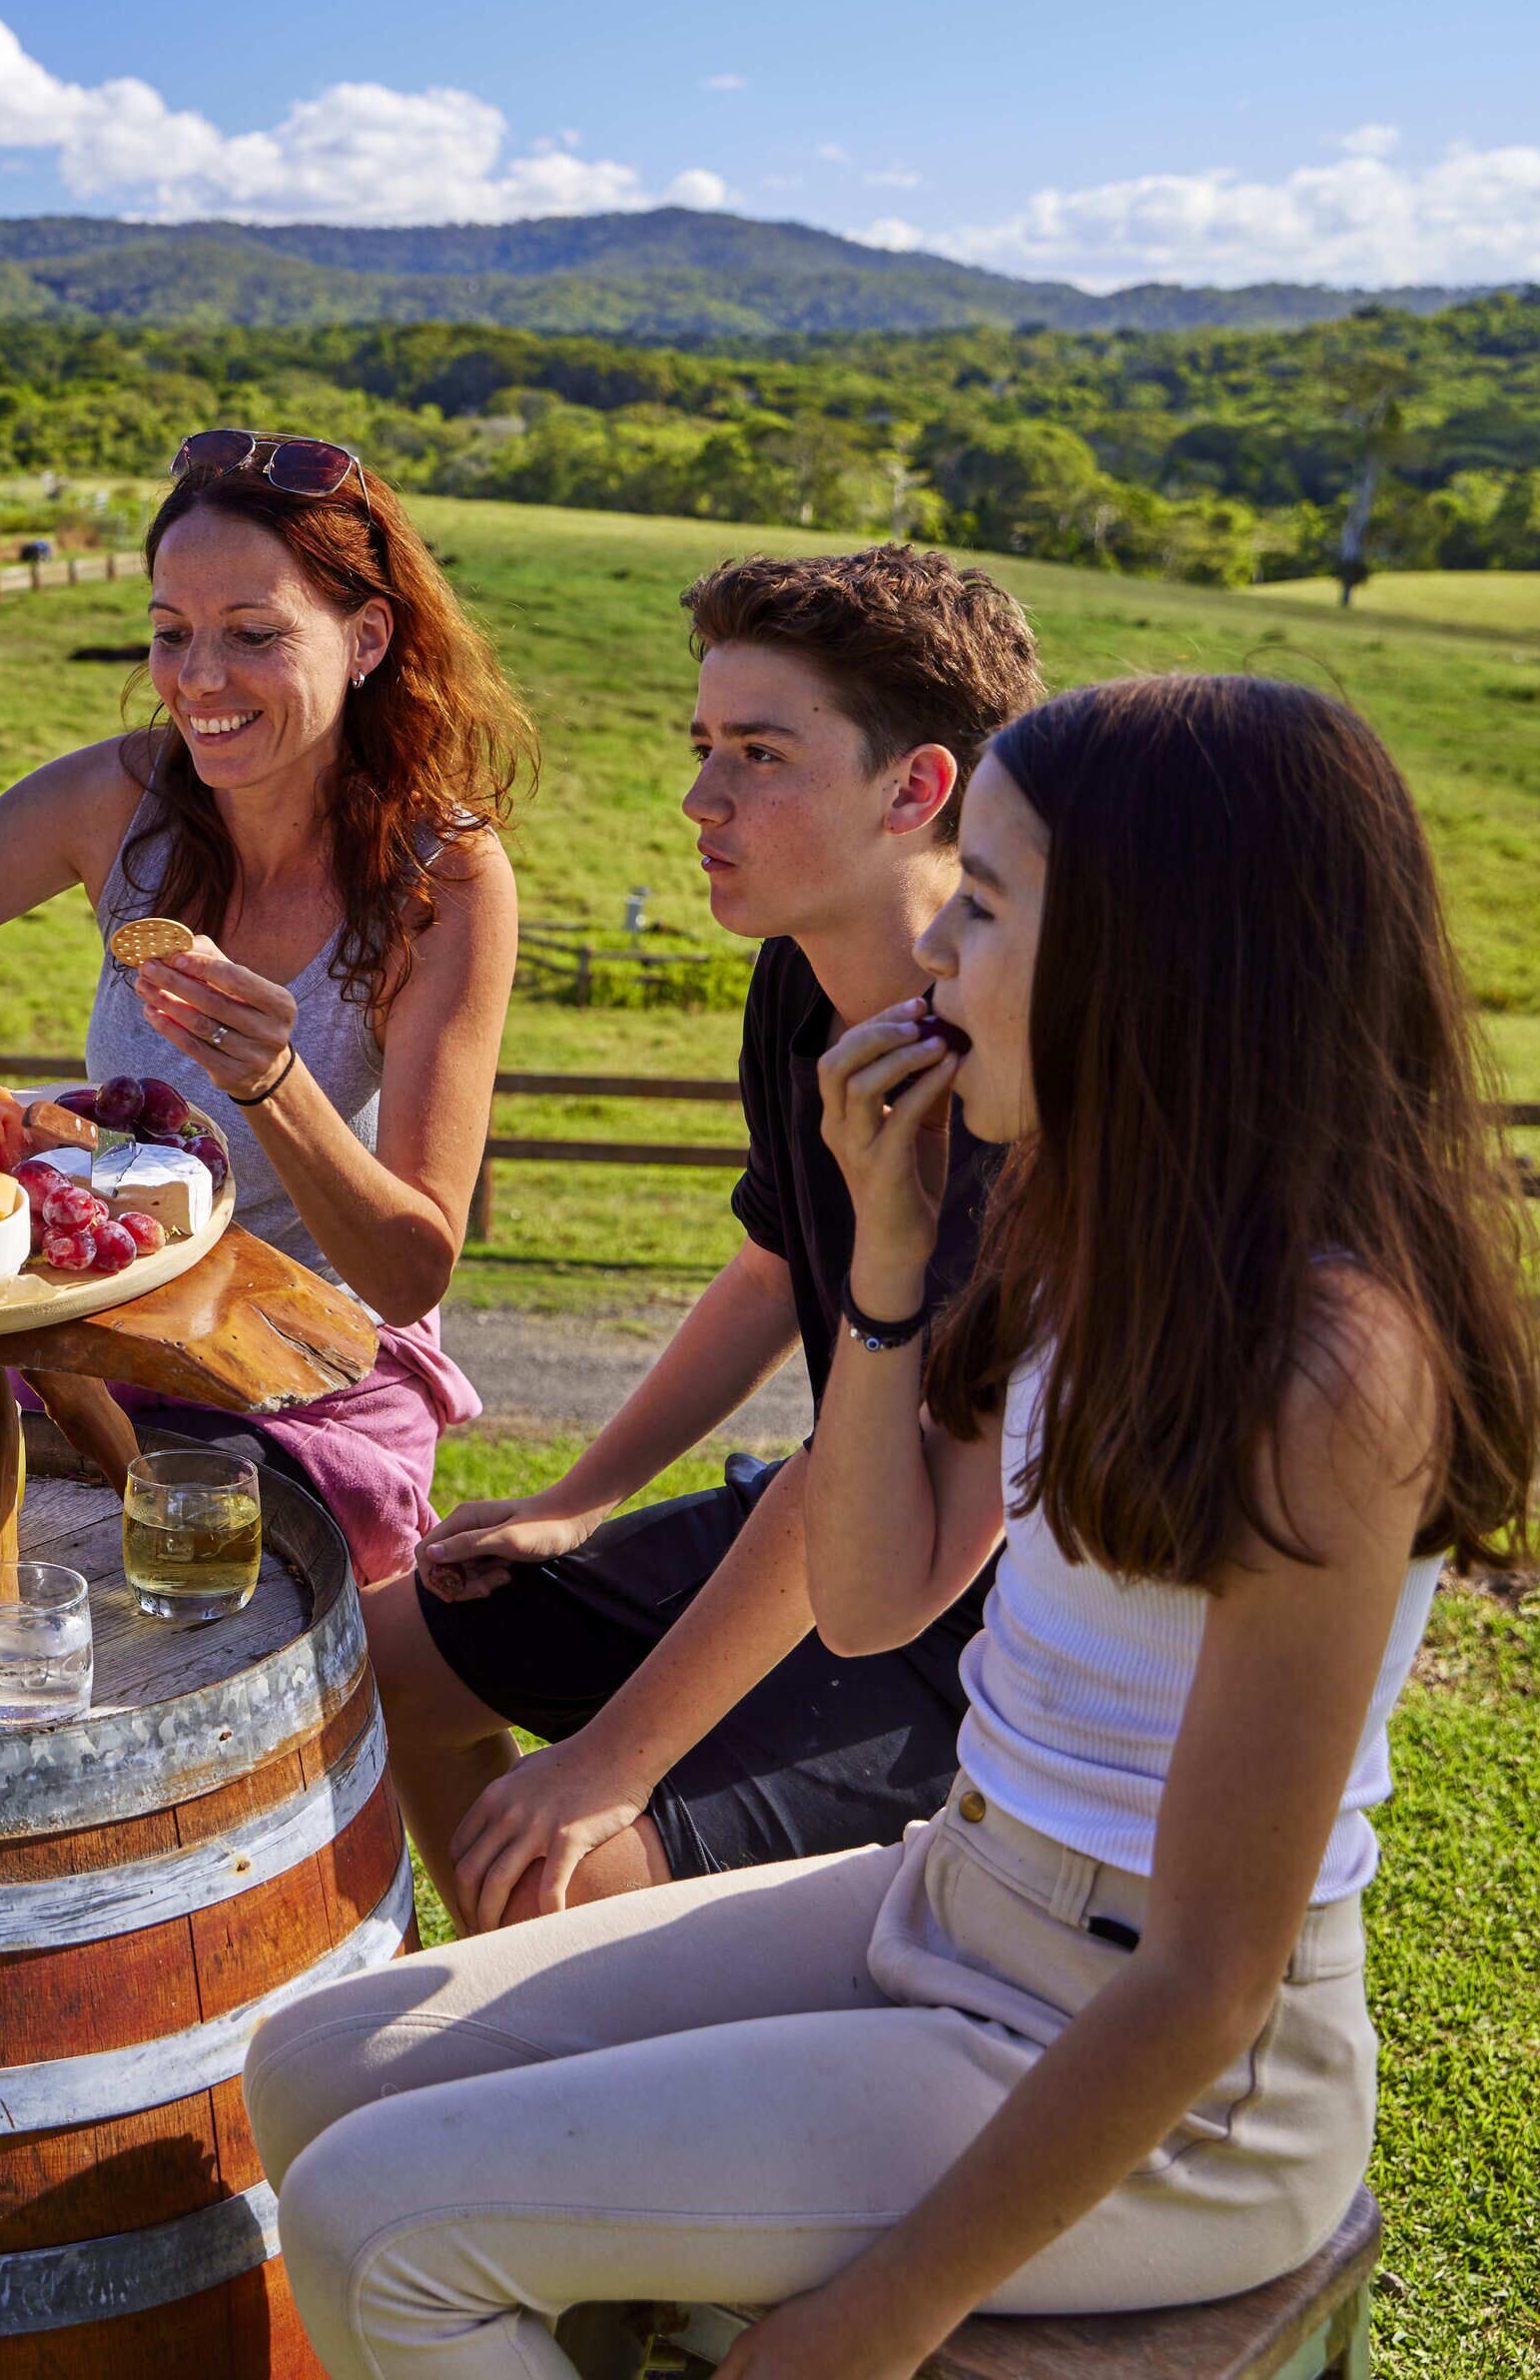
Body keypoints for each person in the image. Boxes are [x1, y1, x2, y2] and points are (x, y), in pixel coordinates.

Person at [247, 671, 1540, 2378]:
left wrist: (874, 2320)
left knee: (382, 2225)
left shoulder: (1332, 1367)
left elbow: (1212, 1974)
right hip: (952, 1894)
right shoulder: (1086, 1228)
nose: (937, 954)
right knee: (312, 2073)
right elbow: (869, 1599)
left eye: (987, 905)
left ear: (1153, 966)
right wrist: (886, 1252)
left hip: (1174, 2078)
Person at [379, 547, 1043, 1927]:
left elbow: (914, 1470)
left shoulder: (1010, 1081)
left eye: (758, 753)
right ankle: (521, 2024)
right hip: (821, 1512)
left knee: (552, 1866)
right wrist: (584, 1494)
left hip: (966, 1622)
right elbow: (775, 1265)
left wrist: (611, 1766)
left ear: (916, 788)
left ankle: (553, 2022)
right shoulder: (798, 986)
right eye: (702, 746)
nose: (700, 799)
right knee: (378, 1663)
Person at [0, 429, 527, 1578]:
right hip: (104, 1333)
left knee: (128, 1585)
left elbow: (412, 1268)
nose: (197, 678)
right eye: (171, 634)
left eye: (253, 635)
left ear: (366, 638)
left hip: (311, 1370)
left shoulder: (444, 876)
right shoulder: (116, 800)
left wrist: (276, 1082)